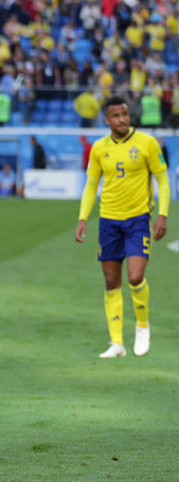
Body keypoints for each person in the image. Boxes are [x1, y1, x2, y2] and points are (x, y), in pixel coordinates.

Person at [75, 96, 169, 359]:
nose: (122, 119)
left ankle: (142, 326)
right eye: (115, 115)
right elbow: (91, 185)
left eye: (124, 114)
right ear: (106, 120)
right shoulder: (98, 148)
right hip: (108, 221)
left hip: (139, 220)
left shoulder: (146, 143)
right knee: (110, 281)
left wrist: (162, 214)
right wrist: (83, 218)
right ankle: (117, 343)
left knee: (135, 277)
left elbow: (163, 178)